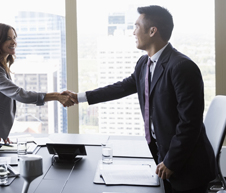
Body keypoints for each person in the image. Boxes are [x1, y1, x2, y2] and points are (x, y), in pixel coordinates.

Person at [62, 5, 216, 193]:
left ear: (152, 31)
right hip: (162, 156)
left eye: (136, 26)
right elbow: (122, 87)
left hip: (187, 166)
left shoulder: (182, 67)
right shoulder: (145, 63)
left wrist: (170, 161)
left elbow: (190, 124)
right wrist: (79, 97)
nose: (133, 32)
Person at [0, 23, 74, 164]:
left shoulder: (1, 65)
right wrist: (56, 96)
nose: (13, 42)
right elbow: (19, 94)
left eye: (14, 38)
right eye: (8, 39)